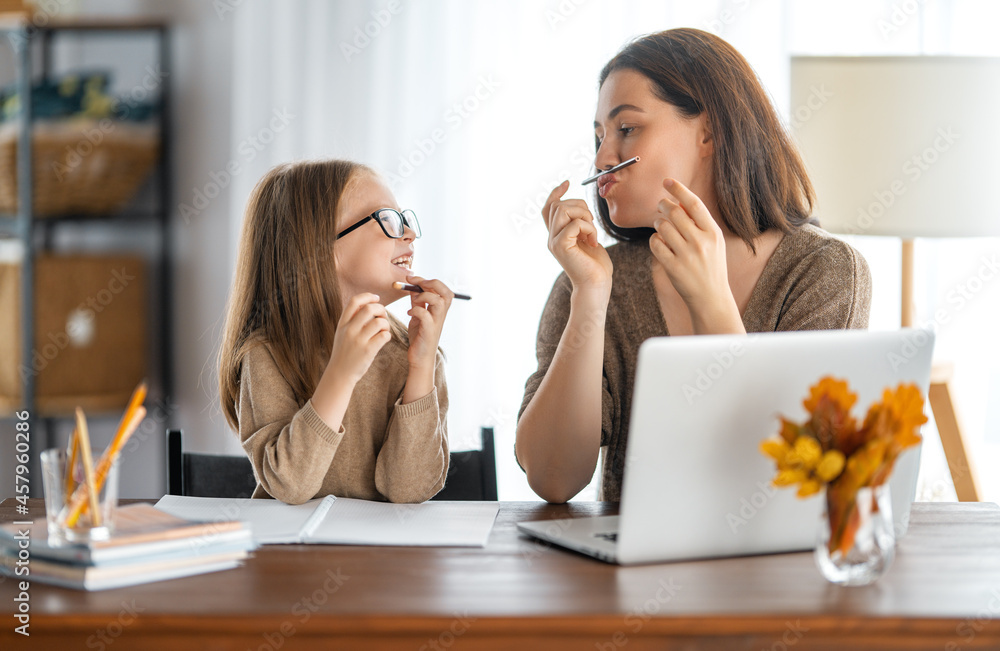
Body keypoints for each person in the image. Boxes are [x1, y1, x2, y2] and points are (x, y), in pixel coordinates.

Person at [516, 28, 872, 504]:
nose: (602, 157)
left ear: (709, 133)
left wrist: (711, 301)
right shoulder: (591, 278)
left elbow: (792, 477)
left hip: (771, 572)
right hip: (627, 572)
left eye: (626, 129)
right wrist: (590, 297)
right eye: (598, 136)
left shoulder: (823, 273)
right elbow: (553, 478)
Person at [218, 159, 454, 504]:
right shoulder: (268, 353)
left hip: (384, 556)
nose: (409, 233)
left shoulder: (413, 351)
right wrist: (342, 373)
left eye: (405, 219)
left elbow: (409, 490)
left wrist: (421, 366)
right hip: (291, 555)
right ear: (320, 248)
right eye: (388, 219)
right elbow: (290, 485)